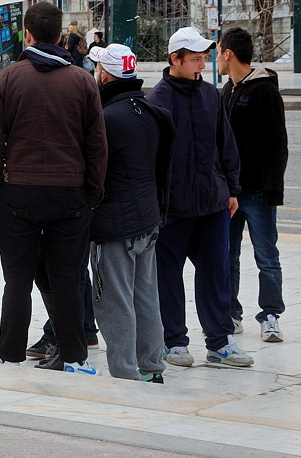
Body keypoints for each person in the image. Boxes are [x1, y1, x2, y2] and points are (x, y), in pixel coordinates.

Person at [0, 1, 107, 375]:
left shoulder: (8, 77)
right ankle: (74, 357)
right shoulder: (83, 80)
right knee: (67, 280)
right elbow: (97, 144)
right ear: (61, 35)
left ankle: (10, 354)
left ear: (29, 34)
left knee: (17, 280)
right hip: (70, 195)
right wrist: (91, 194)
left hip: (18, 192)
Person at [146, 26, 252, 368]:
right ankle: (173, 341)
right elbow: (149, 158)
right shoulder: (157, 100)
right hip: (173, 208)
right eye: (194, 59)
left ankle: (220, 341)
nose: (201, 66)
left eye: (204, 59)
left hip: (212, 204)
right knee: (167, 276)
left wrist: (231, 189)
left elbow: (227, 144)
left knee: (216, 272)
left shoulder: (210, 94)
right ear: (174, 59)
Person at [88, 43, 175, 382]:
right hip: (149, 218)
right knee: (145, 297)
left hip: (114, 224)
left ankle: (124, 372)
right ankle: (153, 367)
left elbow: (94, 172)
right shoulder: (153, 112)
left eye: (98, 69)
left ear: (105, 75)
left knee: (114, 301)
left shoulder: (105, 118)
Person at [219, 26, 288, 343]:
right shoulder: (228, 90)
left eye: (218, 51)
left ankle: (270, 315)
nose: (215, 58)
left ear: (228, 53)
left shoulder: (264, 91)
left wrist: (273, 191)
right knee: (227, 255)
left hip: (258, 192)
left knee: (266, 255)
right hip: (230, 192)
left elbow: (277, 146)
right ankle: (231, 314)